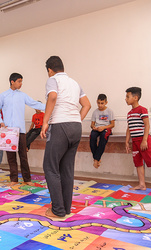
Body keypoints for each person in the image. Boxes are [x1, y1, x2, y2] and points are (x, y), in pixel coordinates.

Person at [40, 56, 91, 218]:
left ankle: (58, 210)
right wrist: (75, 119)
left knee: (50, 167)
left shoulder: (53, 80)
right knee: (66, 169)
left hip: (60, 126)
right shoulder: (75, 83)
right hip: (76, 126)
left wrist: (45, 122)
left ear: (49, 70)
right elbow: (87, 105)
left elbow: (52, 97)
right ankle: (66, 208)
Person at [0, 73, 45, 186]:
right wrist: (1, 122)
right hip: (8, 132)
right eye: (19, 81)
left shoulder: (23, 95)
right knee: (11, 158)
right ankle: (14, 179)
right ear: (12, 81)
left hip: (20, 131)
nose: (21, 84)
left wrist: (50, 106)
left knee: (23, 156)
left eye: (21, 81)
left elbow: (35, 103)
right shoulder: (3, 95)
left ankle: (27, 179)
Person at [89, 94, 115, 169]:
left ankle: (95, 159)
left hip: (106, 128)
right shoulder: (95, 112)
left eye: (102, 103)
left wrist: (103, 127)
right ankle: (97, 159)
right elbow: (92, 124)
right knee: (92, 137)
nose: (100, 105)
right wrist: (94, 127)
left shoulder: (110, 111)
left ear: (106, 102)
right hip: (97, 128)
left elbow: (112, 124)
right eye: (98, 103)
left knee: (103, 137)